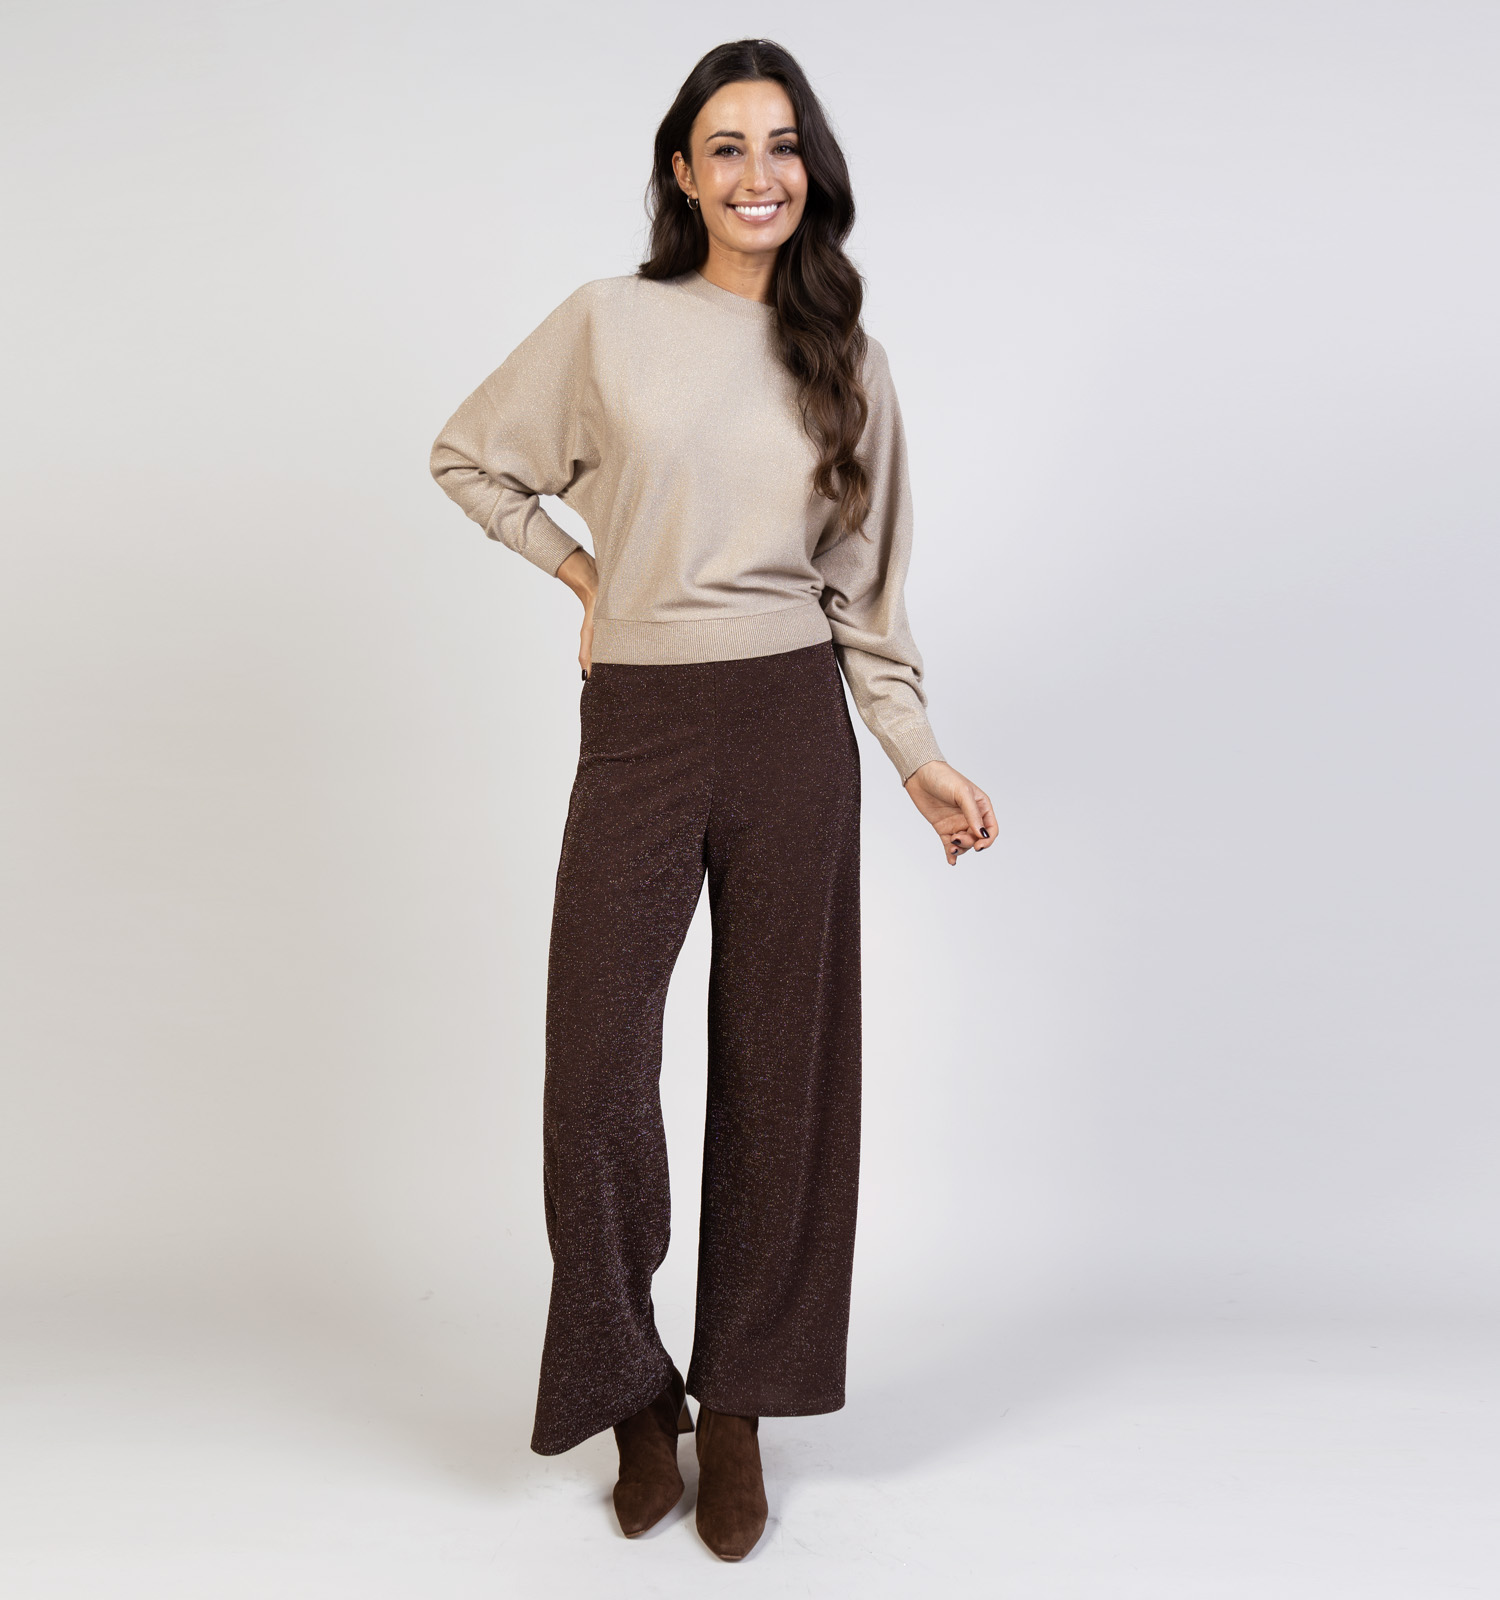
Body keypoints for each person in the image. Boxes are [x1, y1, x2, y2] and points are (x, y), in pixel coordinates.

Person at [429, 37, 995, 1563]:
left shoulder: (846, 358)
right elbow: (470, 459)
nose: (758, 173)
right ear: (682, 173)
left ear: (812, 170)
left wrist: (915, 752)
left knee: (782, 1073)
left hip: (792, 724)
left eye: (782, 144)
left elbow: (865, 591)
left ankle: (739, 1405)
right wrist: (585, 575)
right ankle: (635, 1396)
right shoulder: (608, 324)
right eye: (727, 146)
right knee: (597, 1069)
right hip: (644, 720)